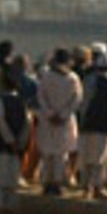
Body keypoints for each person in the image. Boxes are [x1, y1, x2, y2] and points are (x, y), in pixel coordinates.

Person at [78, 49, 107, 200]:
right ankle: (97, 187)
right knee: (101, 158)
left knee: (87, 157)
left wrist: (82, 120)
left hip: (88, 123)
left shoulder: (88, 79)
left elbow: (83, 103)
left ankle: (86, 187)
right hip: (105, 125)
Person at [0, 67, 29, 214]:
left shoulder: (0, 101)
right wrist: (19, 142)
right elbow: (25, 125)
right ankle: (9, 207)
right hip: (15, 148)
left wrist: (9, 140)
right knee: (11, 178)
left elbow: (0, 121)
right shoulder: (22, 103)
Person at [36, 48, 83, 196]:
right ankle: (57, 182)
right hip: (64, 121)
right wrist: (63, 114)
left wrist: (50, 113)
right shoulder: (72, 78)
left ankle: (47, 182)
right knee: (61, 154)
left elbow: (41, 97)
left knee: (48, 152)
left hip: (48, 119)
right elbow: (77, 99)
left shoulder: (47, 76)